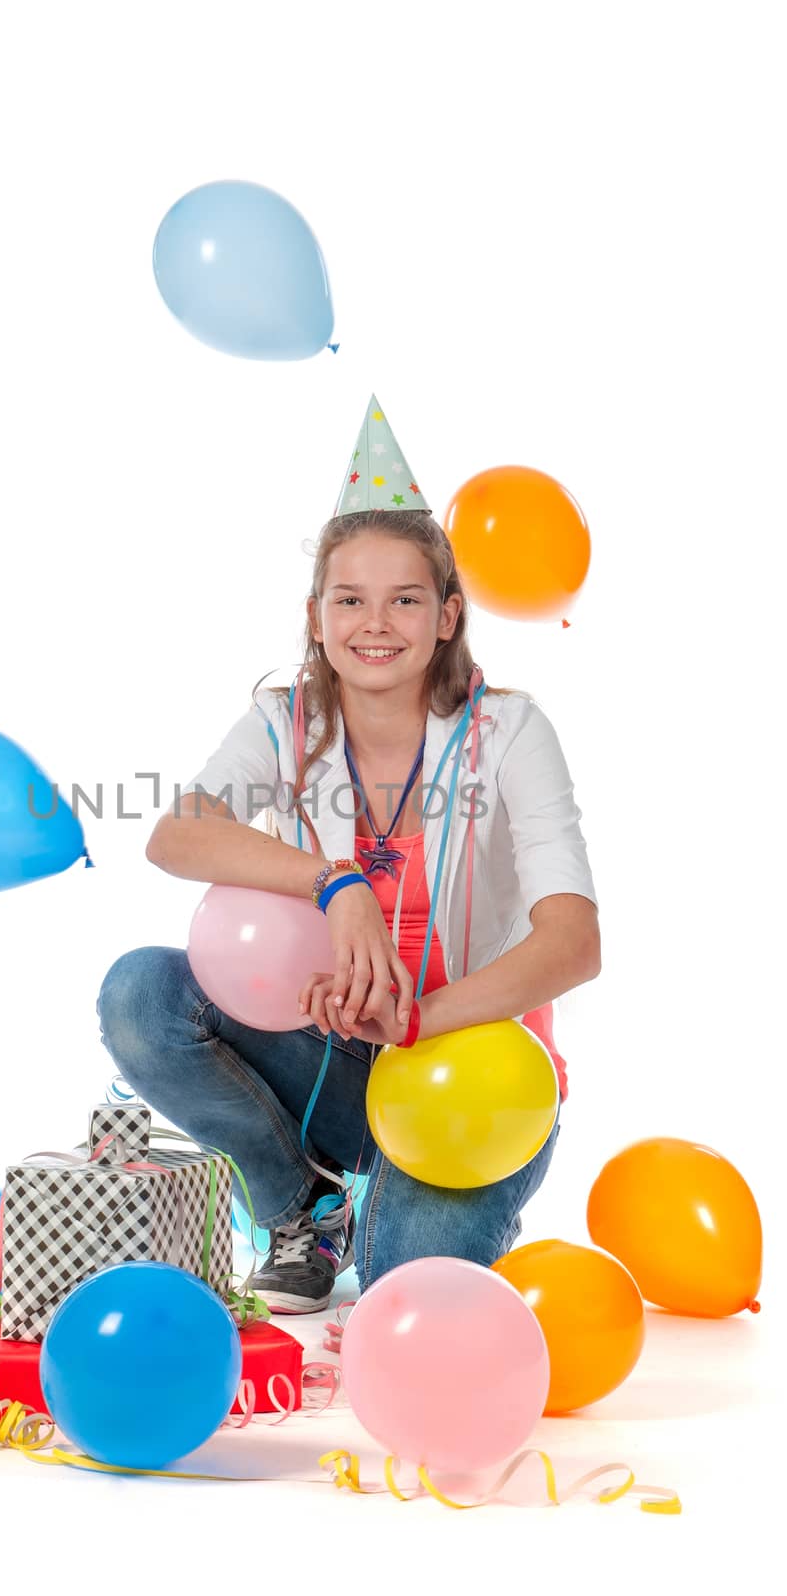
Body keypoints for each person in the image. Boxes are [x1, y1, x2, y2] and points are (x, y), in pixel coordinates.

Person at [96, 394, 600, 1314]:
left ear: (446, 616)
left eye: (405, 598)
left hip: (467, 1077)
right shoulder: (283, 724)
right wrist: (336, 884)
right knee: (142, 992)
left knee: (400, 1285)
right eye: (350, 599)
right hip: (329, 1058)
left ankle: (428, 1206)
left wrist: (418, 1019)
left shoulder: (511, 732)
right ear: (316, 617)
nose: (377, 623)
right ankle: (302, 1206)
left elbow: (573, 942)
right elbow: (175, 835)